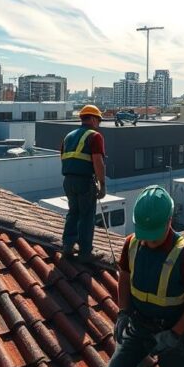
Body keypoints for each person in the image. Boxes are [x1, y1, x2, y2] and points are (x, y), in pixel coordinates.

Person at [105, 186, 184, 367]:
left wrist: (175, 333)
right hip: (139, 325)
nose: (149, 241)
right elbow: (124, 278)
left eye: (155, 235)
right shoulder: (132, 244)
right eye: (145, 234)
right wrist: (123, 312)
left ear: (169, 221)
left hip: (174, 331)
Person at [60, 105, 107, 262]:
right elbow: (98, 161)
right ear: (93, 119)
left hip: (68, 181)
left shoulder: (68, 136)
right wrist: (102, 184)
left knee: (73, 212)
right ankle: (85, 252)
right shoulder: (94, 136)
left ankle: (67, 246)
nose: (98, 124)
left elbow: (64, 158)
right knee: (87, 216)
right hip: (84, 181)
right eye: (98, 121)